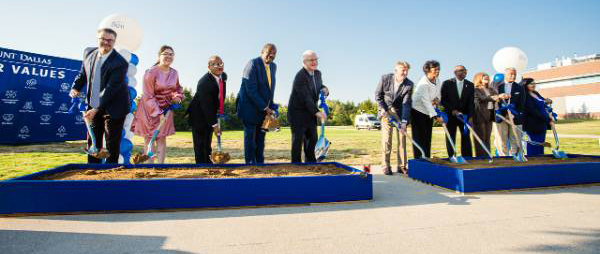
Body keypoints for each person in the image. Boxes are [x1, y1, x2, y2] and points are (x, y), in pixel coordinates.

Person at [70, 28, 130, 164]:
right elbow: (83, 74)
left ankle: (110, 174)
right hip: (94, 102)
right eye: (103, 39)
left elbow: (111, 89)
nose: (106, 42)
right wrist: (76, 87)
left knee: (111, 142)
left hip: (115, 107)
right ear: (98, 39)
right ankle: (92, 171)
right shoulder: (88, 53)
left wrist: (96, 108)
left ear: (114, 42)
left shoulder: (120, 63)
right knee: (93, 141)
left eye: (110, 40)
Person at [131, 45, 183, 163]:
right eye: (165, 53)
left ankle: (160, 167)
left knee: (161, 138)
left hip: (166, 108)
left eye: (171, 54)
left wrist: (177, 97)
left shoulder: (174, 73)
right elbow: (148, 95)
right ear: (159, 56)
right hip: (149, 109)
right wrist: (159, 113)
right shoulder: (151, 72)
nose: (168, 56)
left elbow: (178, 89)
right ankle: (149, 167)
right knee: (149, 139)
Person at [236, 44, 278, 164]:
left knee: (261, 139)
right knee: (250, 139)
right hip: (248, 108)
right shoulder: (253, 64)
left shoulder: (274, 66)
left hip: (263, 110)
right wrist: (265, 107)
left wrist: (271, 105)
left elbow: (270, 89)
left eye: (274, 54)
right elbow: (250, 89)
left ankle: (260, 163)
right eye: (269, 53)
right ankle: (250, 163)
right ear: (262, 52)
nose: (271, 56)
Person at [287, 50, 329, 163]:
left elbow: (318, 87)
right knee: (297, 142)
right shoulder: (300, 77)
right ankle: (296, 168)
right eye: (311, 60)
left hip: (310, 114)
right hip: (297, 114)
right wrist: (318, 113)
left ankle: (310, 166)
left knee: (312, 141)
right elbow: (306, 98)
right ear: (304, 62)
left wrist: (325, 89)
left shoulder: (318, 73)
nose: (314, 62)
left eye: (316, 59)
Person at [374, 61, 413, 175]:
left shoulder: (409, 84)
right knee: (387, 139)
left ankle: (402, 166)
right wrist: (384, 110)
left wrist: (404, 122)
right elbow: (378, 95)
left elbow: (406, 104)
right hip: (386, 111)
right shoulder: (385, 78)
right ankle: (386, 165)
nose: (405, 72)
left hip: (400, 113)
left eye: (406, 70)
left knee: (402, 139)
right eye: (403, 70)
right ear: (396, 70)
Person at [186, 56, 227, 164]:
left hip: (210, 113)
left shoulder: (223, 76)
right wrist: (215, 125)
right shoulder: (204, 82)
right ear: (209, 67)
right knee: (200, 144)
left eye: (221, 63)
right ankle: (201, 168)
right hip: (198, 115)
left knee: (207, 143)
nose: (219, 66)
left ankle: (208, 165)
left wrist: (219, 110)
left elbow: (220, 95)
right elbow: (206, 105)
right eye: (216, 64)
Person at [411, 60, 444, 158]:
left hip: (429, 111)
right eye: (435, 69)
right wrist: (436, 117)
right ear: (428, 70)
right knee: (419, 137)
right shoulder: (423, 83)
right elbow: (426, 101)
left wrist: (437, 100)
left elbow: (438, 94)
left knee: (427, 136)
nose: (437, 71)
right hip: (417, 111)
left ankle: (427, 158)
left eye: (438, 69)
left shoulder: (437, 80)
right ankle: (419, 160)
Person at [440, 65, 475, 158]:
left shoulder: (470, 85)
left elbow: (471, 102)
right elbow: (443, 100)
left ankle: (467, 157)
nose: (462, 72)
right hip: (450, 116)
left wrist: (470, 117)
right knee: (450, 137)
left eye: (464, 70)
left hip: (464, 116)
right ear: (455, 73)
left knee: (466, 137)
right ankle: (452, 157)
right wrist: (452, 110)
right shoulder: (447, 83)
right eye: (460, 71)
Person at [494, 67, 526, 156]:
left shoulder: (520, 88)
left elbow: (522, 103)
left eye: (515, 74)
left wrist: (516, 114)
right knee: (501, 140)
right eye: (511, 74)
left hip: (515, 118)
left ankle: (516, 157)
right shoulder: (497, 87)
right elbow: (493, 100)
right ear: (505, 75)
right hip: (501, 117)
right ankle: (503, 158)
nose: (513, 76)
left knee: (515, 139)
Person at [473, 72, 506, 157]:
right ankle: (480, 157)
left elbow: (497, 98)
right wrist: (496, 97)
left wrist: (502, 97)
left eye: (487, 76)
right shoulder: (475, 89)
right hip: (479, 116)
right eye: (484, 76)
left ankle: (488, 156)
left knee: (487, 138)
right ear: (479, 78)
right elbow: (481, 99)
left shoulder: (491, 89)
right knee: (481, 137)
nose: (486, 77)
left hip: (490, 115)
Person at [522, 78, 552, 155]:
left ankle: (540, 158)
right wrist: (546, 118)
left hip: (542, 123)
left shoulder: (536, 93)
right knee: (534, 142)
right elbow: (532, 110)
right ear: (525, 85)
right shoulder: (525, 96)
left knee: (541, 142)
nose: (533, 85)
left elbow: (542, 102)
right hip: (532, 123)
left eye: (534, 83)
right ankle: (532, 159)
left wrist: (547, 101)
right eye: (531, 83)